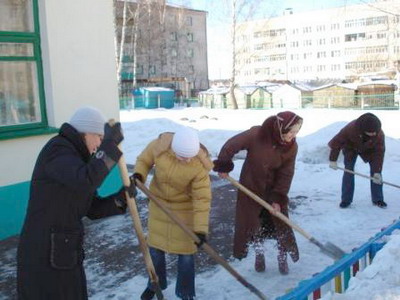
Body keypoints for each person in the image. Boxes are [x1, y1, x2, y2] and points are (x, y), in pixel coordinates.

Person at [17, 106, 132, 300]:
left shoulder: (77, 159)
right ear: (86, 132)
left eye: (103, 140)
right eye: (99, 138)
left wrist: (122, 198)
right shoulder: (58, 149)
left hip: (64, 252)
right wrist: (110, 146)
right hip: (43, 254)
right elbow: (85, 180)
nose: (99, 144)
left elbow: (93, 208)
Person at [213, 111, 303, 275]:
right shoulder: (257, 134)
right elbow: (231, 145)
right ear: (280, 128)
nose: (293, 135)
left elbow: (286, 173)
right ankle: (259, 252)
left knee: (280, 224)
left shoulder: (291, 147)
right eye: (291, 131)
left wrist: (278, 198)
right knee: (254, 223)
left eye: (296, 132)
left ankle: (281, 255)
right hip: (251, 187)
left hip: (274, 189)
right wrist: (224, 165)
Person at [133, 126, 213, 300]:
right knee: (155, 250)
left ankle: (186, 293)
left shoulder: (199, 166)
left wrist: (200, 230)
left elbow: (202, 200)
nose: (186, 160)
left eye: (189, 157)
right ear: (174, 148)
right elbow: (144, 160)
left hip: (184, 212)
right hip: (158, 205)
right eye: (182, 156)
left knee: (186, 256)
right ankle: (154, 284)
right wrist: (139, 175)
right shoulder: (160, 147)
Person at [328, 112, 386, 208]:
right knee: (349, 170)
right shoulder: (350, 129)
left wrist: (377, 171)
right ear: (364, 130)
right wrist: (333, 160)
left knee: (376, 176)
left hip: (370, 149)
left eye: (375, 132)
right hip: (351, 147)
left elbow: (379, 153)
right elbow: (336, 143)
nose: (374, 134)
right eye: (371, 132)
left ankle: (378, 199)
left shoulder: (379, 134)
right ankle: (346, 200)